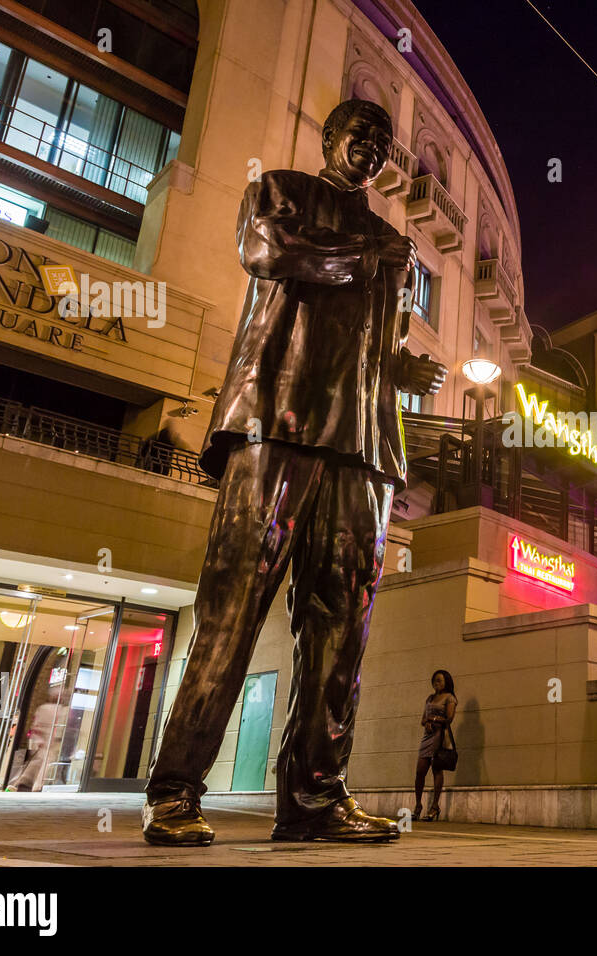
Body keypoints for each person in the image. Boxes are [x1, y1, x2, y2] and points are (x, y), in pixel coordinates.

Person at [141, 98, 448, 847]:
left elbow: (373, 339)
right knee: (234, 604)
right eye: (360, 134)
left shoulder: (388, 239)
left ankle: (314, 798)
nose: (371, 148)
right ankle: (175, 790)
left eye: (383, 142)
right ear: (331, 138)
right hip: (276, 419)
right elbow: (269, 254)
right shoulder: (280, 191)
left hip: (365, 443)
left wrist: (407, 369)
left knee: (342, 626)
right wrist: (362, 260)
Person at [413, 670, 457, 821]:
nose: (437, 683)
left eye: (440, 681)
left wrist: (434, 719)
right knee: (420, 771)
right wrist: (427, 723)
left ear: (446, 683)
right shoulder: (430, 698)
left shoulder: (449, 698)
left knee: (436, 770)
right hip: (427, 737)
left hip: (440, 736)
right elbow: (423, 719)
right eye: (435, 681)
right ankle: (418, 805)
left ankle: (434, 806)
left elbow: (449, 718)